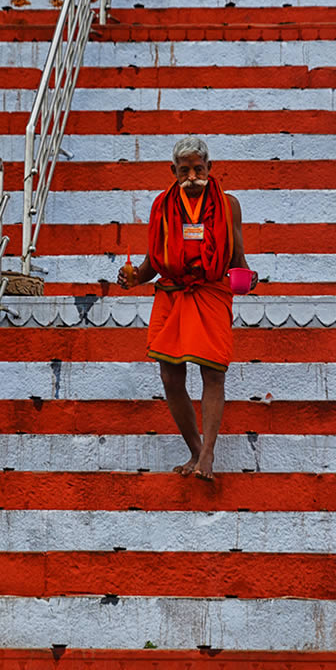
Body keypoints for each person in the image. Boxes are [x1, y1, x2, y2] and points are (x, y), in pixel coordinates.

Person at [117, 136, 256, 481]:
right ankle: (194, 448)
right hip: (173, 292)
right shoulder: (162, 205)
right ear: (173, 172)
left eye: (198, 169)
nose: (192, 176)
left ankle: (207, 454)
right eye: (184, 171)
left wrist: (248, 277)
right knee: (169, 376)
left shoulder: (229, 205)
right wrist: (134, 278)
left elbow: (237, 256)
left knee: (212, 373)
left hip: (210, 290)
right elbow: (153, 261)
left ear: (209, 168)